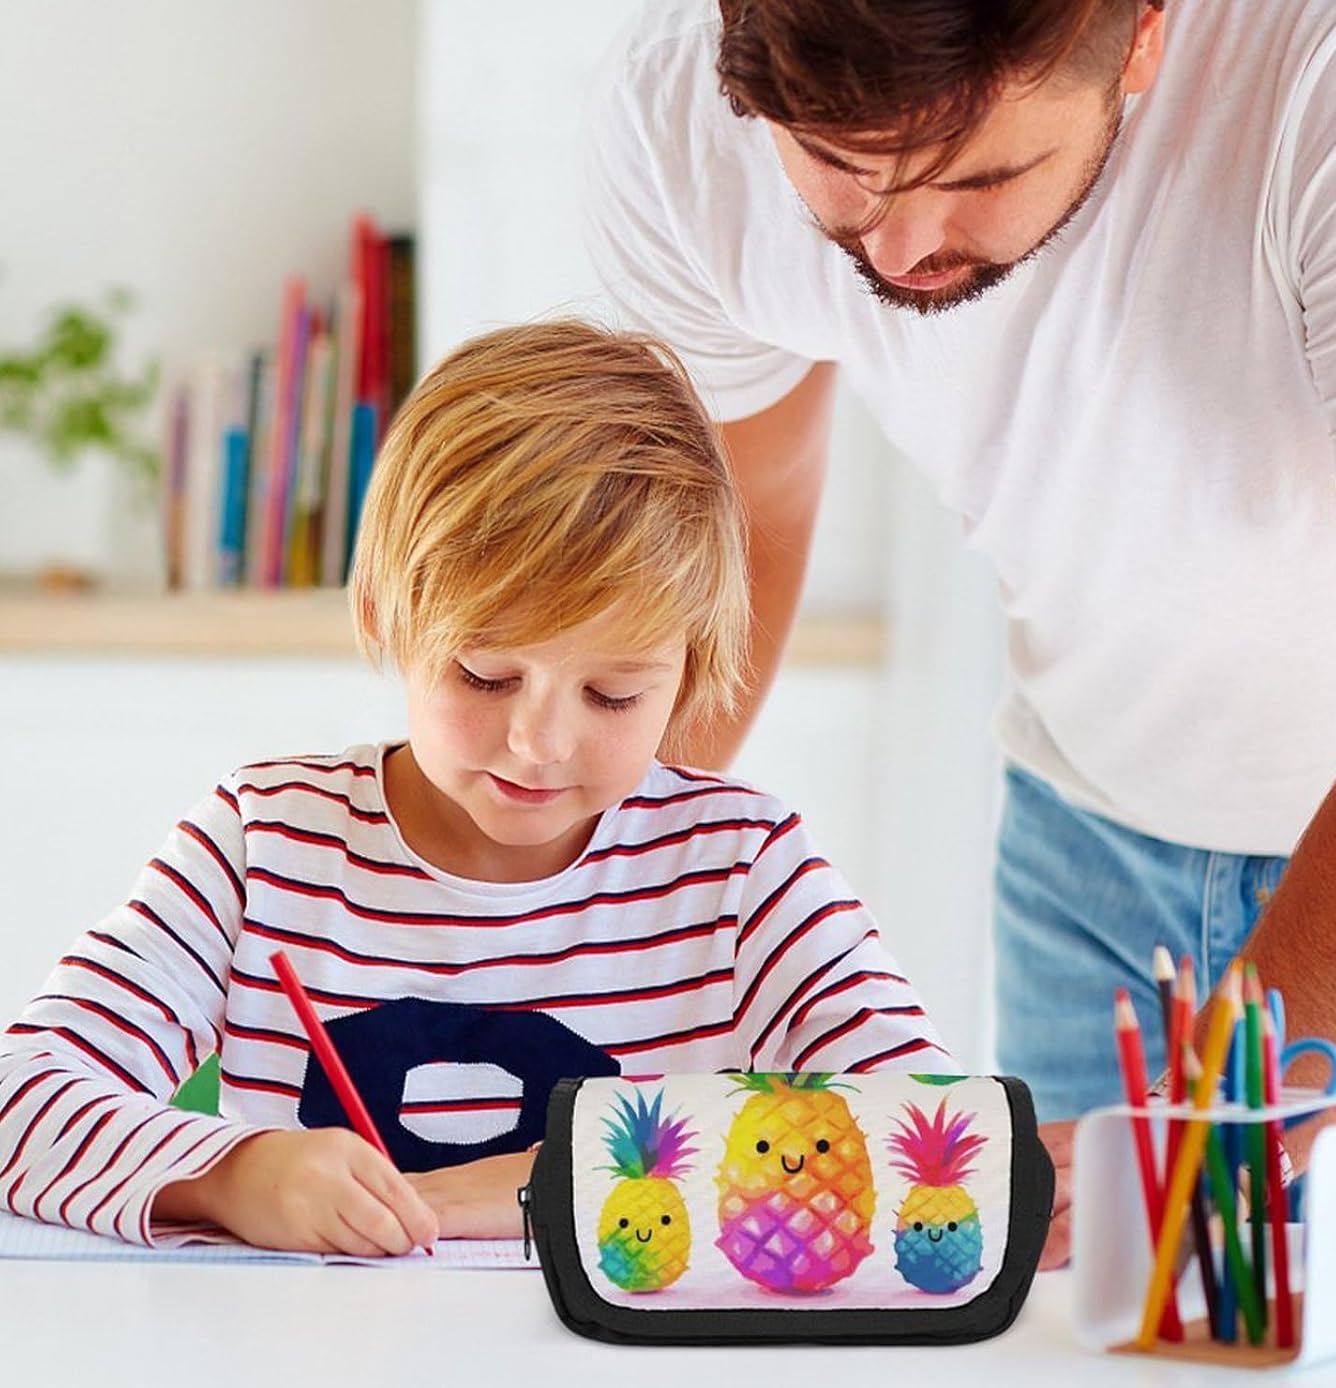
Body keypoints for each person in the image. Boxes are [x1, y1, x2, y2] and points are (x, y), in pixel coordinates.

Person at [579, 0, 1336, 1223]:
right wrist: (578, 912)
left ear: (1147, 30)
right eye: (837, 167)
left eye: (979, 179)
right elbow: (744, 522)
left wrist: (1209, 1136)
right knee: (1082, 1325)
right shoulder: (686, 105)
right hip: (1090, 854)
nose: (898, 248)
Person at [0, 321, 954, 1256]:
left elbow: (939, 1144)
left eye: (613, 694)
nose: (539, 744)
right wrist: (231, 1174)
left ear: (691, 666)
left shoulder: (742, 871)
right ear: (386, 612)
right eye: (486, 676)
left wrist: (556, 1180)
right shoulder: (265, 843)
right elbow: (19, 1092)